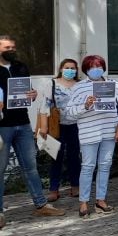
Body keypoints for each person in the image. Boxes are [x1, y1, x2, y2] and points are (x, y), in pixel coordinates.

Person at [0, 35, 60, 226]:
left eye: (13, 47)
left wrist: (32, 95)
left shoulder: (20, 66)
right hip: (1, 127)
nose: (12, 50)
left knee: (31, 167)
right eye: (7, 47)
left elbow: (27, 92)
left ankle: (41, 205)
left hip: (23, 123)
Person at [66, 55, 118, 217]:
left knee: (105, 165)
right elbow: (69, 114)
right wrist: (85, 105)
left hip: (109, 132)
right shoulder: (78, 87)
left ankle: (101, 200)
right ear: (86, 69)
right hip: (89, 133)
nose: (96, 69)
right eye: (92, 66)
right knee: (87, 167)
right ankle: (83, 202)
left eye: (99, 65)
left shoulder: (113, 84)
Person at [36, 58, 82, 203]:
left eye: (73, 68)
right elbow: (44, 106)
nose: (70, 70)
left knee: (74, 157)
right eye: (67, 67)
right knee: (56, 156)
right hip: (57, 126)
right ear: (61, 69)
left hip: (76, 125)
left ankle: (75, 186)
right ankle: (54, 189)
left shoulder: (80, 85)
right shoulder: (52, 83)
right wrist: (44, 127)